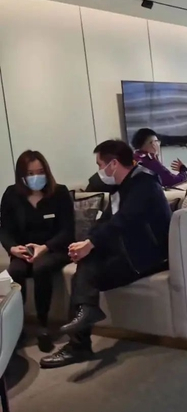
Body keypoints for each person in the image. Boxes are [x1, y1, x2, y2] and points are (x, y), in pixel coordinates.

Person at [40, 139, 172, 369]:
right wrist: (86, 243)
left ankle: (79, 340)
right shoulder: (124, 186)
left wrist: (91, 243)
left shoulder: (144, 183)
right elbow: (106, 221)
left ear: (113, 164)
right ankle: (85, 316)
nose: (99, 171)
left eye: (100, 165)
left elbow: (124, 220)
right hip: (131, 251)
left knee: (86, 272)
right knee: (85, 263)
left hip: (150, 258)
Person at [0, 150, 74, 352]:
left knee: (41, 267)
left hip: (54, 248)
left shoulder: (59, 193)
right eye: (30, 173)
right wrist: (12, 248)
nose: (36, 177)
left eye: (40, 172)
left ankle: (43, 325)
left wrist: (45, 247)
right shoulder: (11, 195)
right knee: (15, 271)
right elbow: (4, 229)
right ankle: (17, 325)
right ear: (22, 176)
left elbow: (67, 231)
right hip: (24, 250)